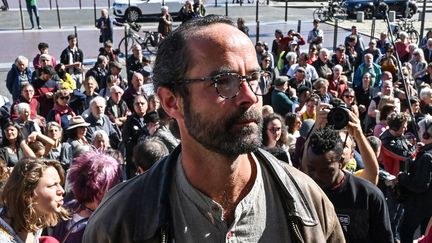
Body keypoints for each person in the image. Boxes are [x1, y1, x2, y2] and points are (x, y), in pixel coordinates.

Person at [84, 15, 344, 242]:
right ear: (172, 102)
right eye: (224, 81)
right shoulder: (119, 223)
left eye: (253, 78)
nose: (250, 96)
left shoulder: (308, 202)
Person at [302, 126, 393, 242]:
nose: (317, 176)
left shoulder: (368, 195)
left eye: (326, 171)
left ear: (340, 162)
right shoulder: (302, 194)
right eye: (311, 169)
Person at [51, 151, 121, 243]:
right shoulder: (105, 224)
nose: (118, 187)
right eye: (115, 183)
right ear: (101, 190)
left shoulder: (65, 209)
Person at [0, 158, 68, 242]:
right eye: (53, 185)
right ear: (27, 193)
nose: (62, 191)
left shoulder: (34, 223)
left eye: (59, 183)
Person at [398, 115, 432, 243]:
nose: (418, 131)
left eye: (420, 129)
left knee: (405, 231)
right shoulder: (426, 153)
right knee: (426, 235)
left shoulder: (427, 157)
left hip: (420, 205)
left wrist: (402, 177)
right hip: (427, 205)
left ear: (428, 134)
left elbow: (420, 185)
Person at [122, 95, 149, 178]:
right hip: (135, 162)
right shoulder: (129, 122)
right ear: (133, 106)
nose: (140, 105)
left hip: (150, 158)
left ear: (147, 104)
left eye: (142, 103)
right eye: (137, 104)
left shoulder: (152, 119)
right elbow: (127, 142)